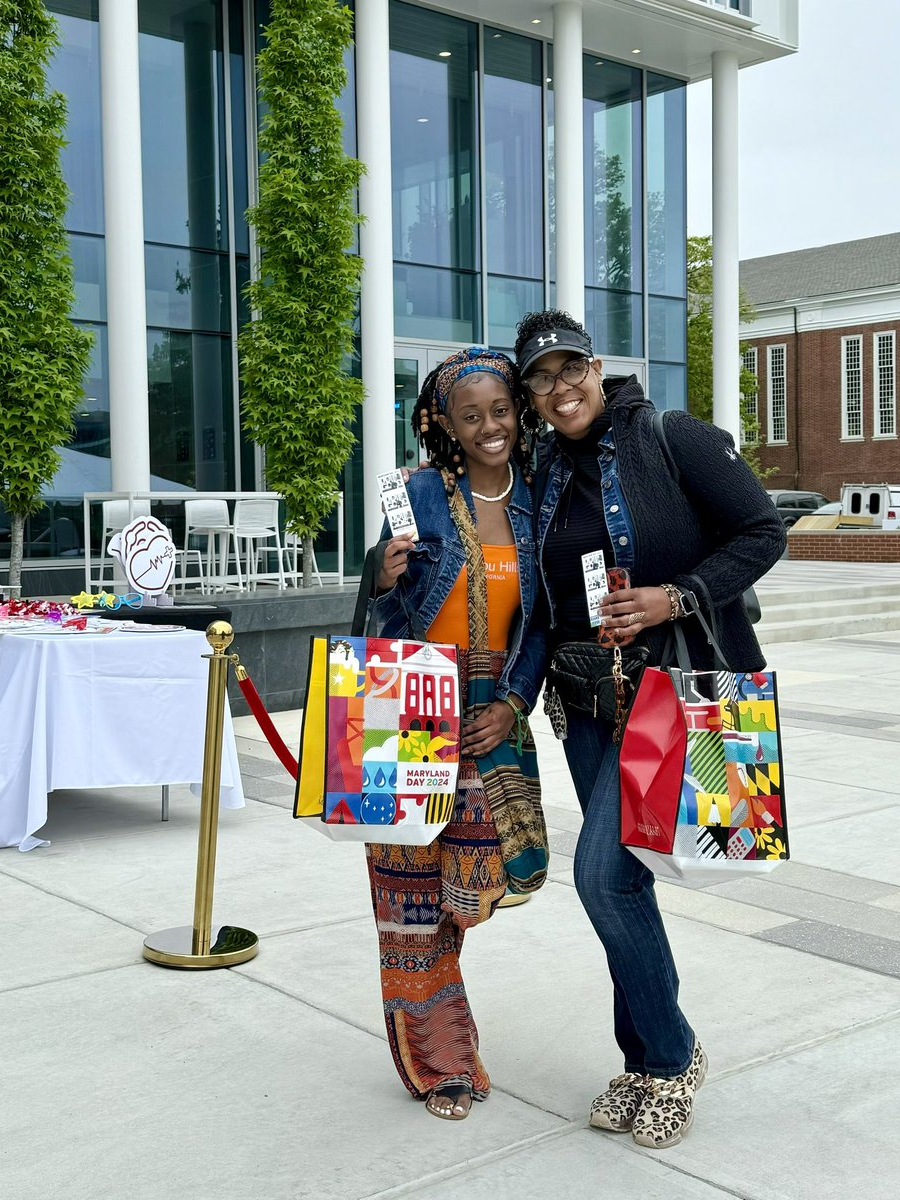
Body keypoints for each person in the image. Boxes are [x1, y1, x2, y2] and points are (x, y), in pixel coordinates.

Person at [513, 309, 785, 1149]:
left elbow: (764, 531)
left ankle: (672, 1057)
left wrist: (677, 595)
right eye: (543, 379)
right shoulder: (539, 469)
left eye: (572, 369)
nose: (562, 389)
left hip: (671, 697)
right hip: (585, 702)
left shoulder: (673, 437)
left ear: (599, 368)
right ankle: (641, 1059)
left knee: (602, 877)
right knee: (624, 883)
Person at [366, 346, 548, 1122]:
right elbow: (383, 618)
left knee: (467, 892)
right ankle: (441, 1057)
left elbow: (541, 625)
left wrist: (513, 701)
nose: (489, 427)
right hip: (409, 706)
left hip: (490, 716)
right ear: (443, 422)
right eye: (470, 416)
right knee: (408, 902)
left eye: (500, 410)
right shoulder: (413, 494)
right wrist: (380, 576)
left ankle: (447, 1027)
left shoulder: (539, 500)